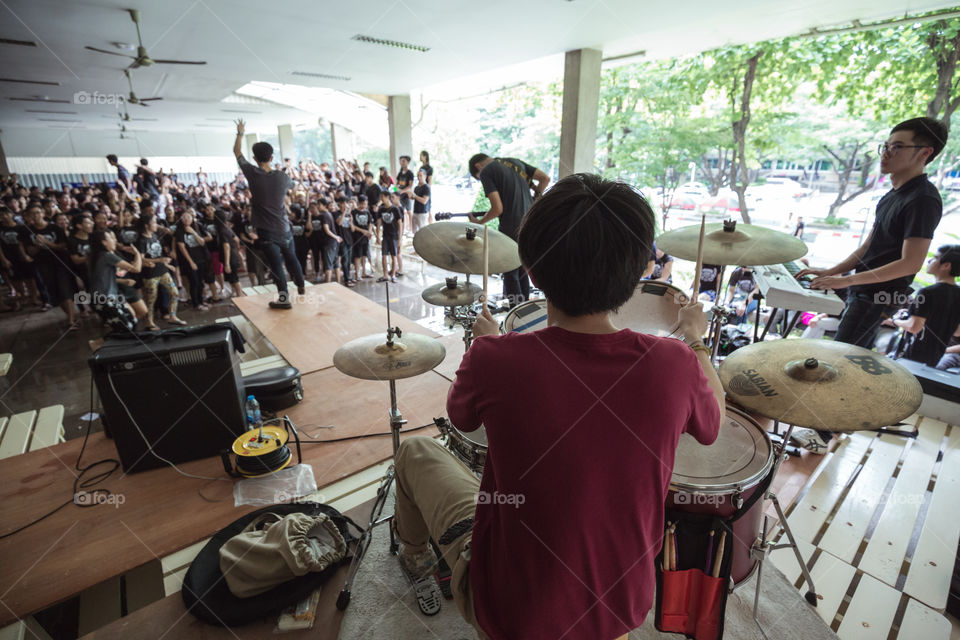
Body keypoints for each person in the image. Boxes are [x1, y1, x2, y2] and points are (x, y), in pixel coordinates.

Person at [391, 173, 723, 639]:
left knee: (414, 454)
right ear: (638, 275)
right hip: (618, 610)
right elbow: (712, 427)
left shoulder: (495, 358)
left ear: (529, 269)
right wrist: (697, 341)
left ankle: (416, 556)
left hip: (510, 613)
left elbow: (462, 419)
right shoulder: (675, 363)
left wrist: (482, 345)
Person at [798, 117, 948, 348]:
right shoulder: (893, 194)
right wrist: (833, 272)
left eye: (897, 147)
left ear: (925, 153)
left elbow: (910, 264)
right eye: (886, 146)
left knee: (842, 359)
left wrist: (846, 282)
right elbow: (868, 246)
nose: (886, 153)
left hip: (880, 298)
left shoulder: (923, 199)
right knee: (842, 355)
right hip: (863, 291)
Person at [232, 119, 305, 309]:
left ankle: (284, 300)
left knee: (276, 266)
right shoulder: (282, 176)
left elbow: (237, 153)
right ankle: (301, 284)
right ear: (272, 158)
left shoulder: (252, 173)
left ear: (256, 159)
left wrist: (240, 133)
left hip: (266, 231)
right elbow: (294, 186)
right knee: (292, 258)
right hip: (284, 227)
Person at [467, 153, 551, 308]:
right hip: (530, 222)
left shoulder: (487, 171)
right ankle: (525, 310)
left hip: (510, 226)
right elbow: (545, 178)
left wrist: (479, 222)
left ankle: (516, 312)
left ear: (478, 167)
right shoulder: (515, 162)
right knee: (523, 269)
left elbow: (498, 208)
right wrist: (534, 199)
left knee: (510, 271)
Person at [893, 245, 960, 367]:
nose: (929, 261)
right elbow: (957, 332)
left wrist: (896, 320)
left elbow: (914, 327)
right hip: (934, 358)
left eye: (935, 258)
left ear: (946, 265)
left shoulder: (928, 292)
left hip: (911, 354)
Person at [136, 213, 184, 330]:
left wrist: (166, 264)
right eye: (154, 222)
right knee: (151, 299)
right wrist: (160, 260)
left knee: (174, 292)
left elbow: (158, 254)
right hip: (150, 275)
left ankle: (172, 316)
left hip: (162, 271)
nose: (156, 225)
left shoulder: (155, 236)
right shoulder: (141, 241)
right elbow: (140, 259)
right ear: (146, 225)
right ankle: (149, 322)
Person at [396, 156, 415, 230]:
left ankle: (411, 227)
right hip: (400, 195)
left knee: (409, 211)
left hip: (407, 195)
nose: (402, 163)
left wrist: (403, 191)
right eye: (401, 161)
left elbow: (410, 186)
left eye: (403, 161)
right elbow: (396, 184)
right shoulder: (400, 173)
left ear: (408, 162)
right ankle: (403, 228)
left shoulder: (410, 173)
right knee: (402, 212)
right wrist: (397, 190)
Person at [410, 169, 431, 234]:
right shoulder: (416, 188)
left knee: (422, 232)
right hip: (415, 211)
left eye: (420, 176)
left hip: (422, 213)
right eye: (418, 176)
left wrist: (415, 196)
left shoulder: (426, 187)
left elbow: (424, 201)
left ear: (425, 176)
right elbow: (414, 198)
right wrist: (411, 196)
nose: (419, 177)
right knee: (414, 231)